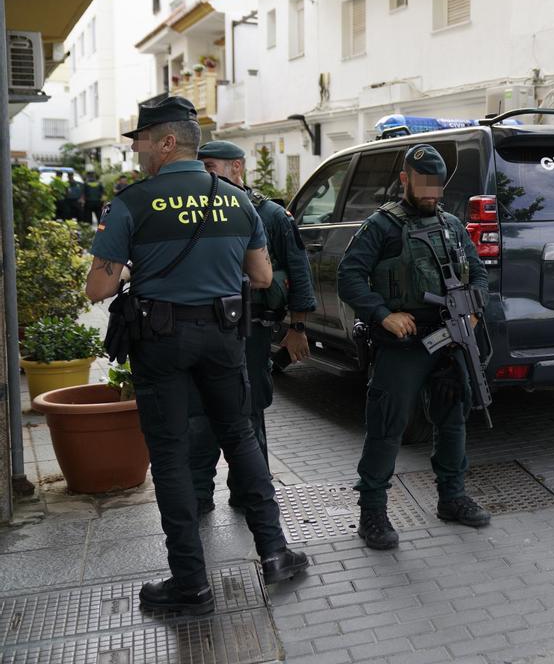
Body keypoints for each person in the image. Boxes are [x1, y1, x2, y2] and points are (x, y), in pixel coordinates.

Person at [84, 95, 308, 614]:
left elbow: (99, 288)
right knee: (241, 437)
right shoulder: (237, 199)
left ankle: (192, 583)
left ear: (166, 142)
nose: (137, 151)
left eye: (140, 141)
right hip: (224, 336)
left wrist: (138, 268)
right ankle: (274, 553)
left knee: (169, 455)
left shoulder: (133, 202)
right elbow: (263, 277)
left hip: (160, 342)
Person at [337, 144, 492, 549]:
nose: (431, 192)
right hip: (404, 342)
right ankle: (372, 514)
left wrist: (473, 310)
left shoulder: (452, 225)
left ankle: (452, 498)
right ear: (404, 179)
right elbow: (349, 277)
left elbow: (478, 274)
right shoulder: (382, 226)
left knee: (452, 419)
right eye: (423, 183)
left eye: (437, 184)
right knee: (387, 426)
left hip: (449, 339)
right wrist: (383, 314)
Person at [189, 140, 318, 511]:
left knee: (248, 409)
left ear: (237, 168)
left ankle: (250, 492)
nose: (205, 176)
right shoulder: (197, 211)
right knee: (200, 409)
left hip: (252, 329)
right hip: (205, 327)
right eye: (201, 169)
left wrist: (298, 326)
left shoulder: (269, 214)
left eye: (211, 167)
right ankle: (200, 494)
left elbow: (298, 270)